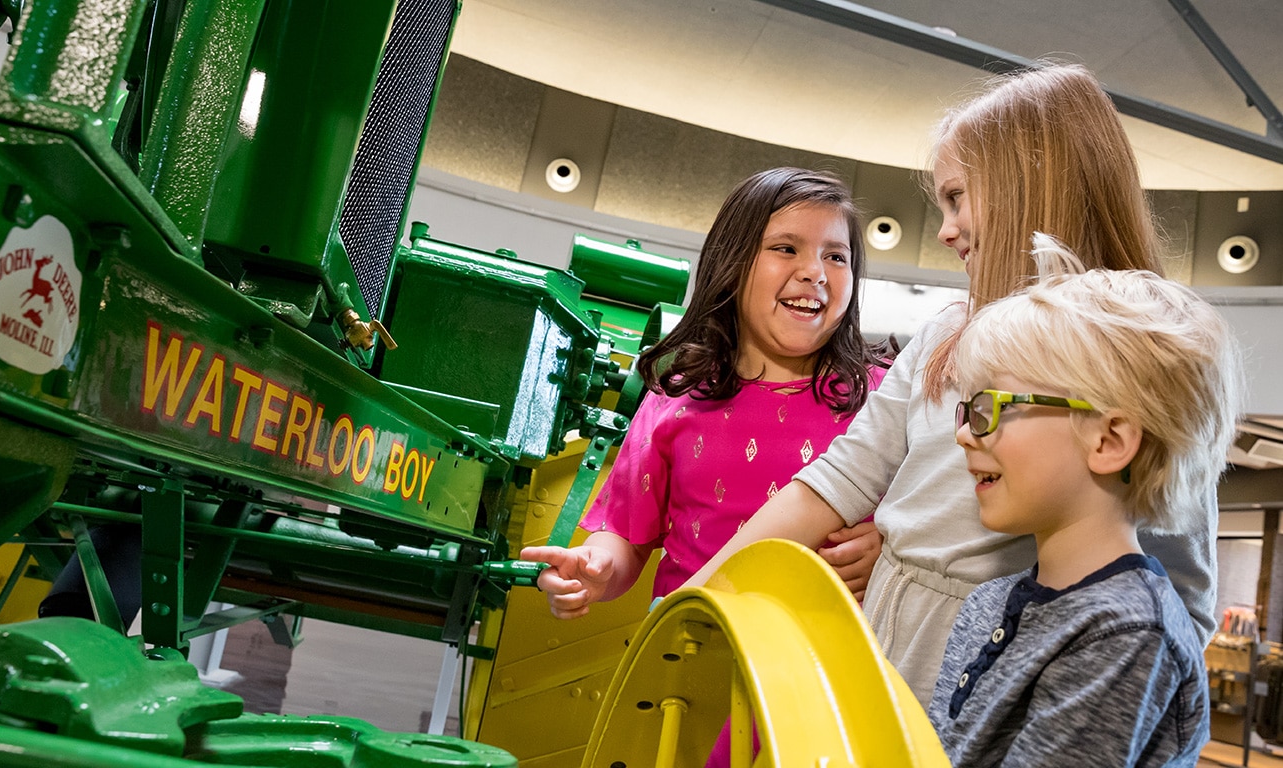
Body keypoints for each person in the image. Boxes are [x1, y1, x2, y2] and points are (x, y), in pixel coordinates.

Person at [682, 62, 1219, 703]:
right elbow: (836, 481)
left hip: (997, 681)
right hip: (878, 653)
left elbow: (1181, 595)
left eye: (957, 198)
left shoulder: (1136, 356)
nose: (944, 229)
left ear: (1031, 183)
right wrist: (701, 593)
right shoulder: (944, 333)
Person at [522, 167, 891, 619]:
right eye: (786, 248)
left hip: (833, 667)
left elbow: (937, 520)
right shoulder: (674, 401)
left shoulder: (884, 398)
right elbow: (625, 535)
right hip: (693, 650)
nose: (814, 272)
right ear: (730, 264)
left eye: (837, 257)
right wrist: (594, 567)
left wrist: (890, 548)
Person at [929, 234, 1240, 766]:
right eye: (967, 410)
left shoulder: (1127, 634)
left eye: (992, 406)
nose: (964, 434)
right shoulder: (992, 601)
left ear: (1109, 440)